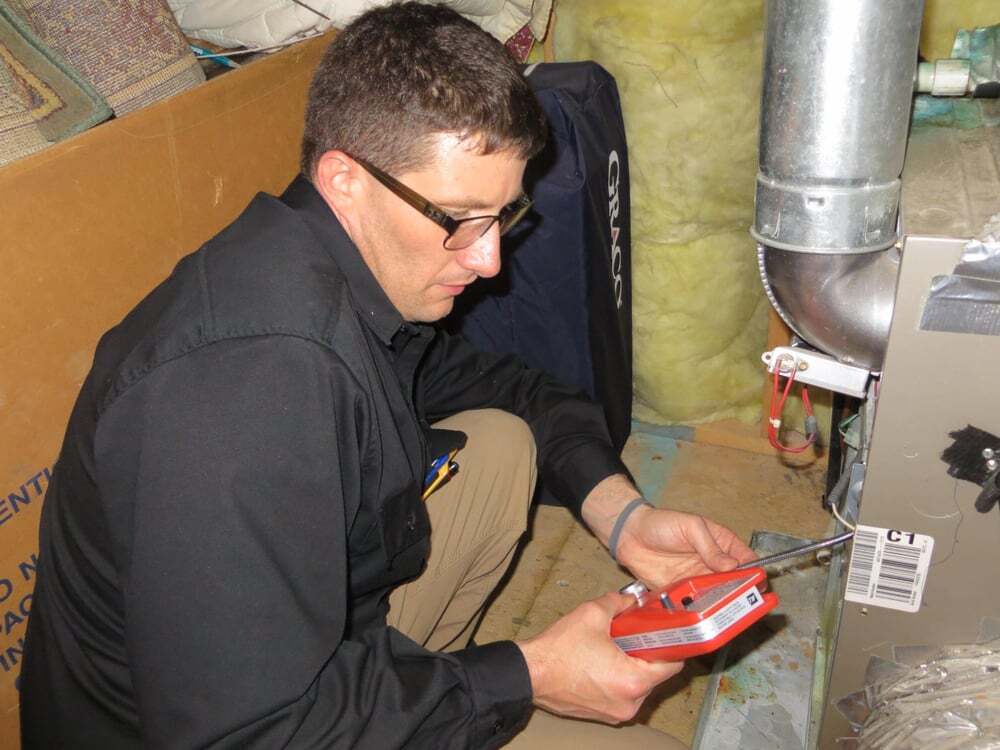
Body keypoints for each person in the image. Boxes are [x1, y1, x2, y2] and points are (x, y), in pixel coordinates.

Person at [20, 3, 755, 748]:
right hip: (215, 732)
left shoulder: (344, 270)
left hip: (300, 667)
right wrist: (529, 675)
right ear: (345, 178)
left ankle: (409, 698)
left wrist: (624, 519)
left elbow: (522, 392)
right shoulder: (241, 393)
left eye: (505, 215)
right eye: (461, 219)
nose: (490, 259)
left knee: (500, 443)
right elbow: (248, 731)